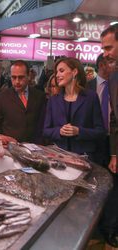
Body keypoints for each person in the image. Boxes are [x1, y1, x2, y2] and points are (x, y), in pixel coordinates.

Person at [43, 57, 106, 163]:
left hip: (84, 159)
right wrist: (59, 131)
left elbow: (100, 132)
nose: (57, 75)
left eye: (61, 71)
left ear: (74, 72)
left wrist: (79, 131)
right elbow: (46, 131)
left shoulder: (91, 97)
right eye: (56, 71)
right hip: (59, 158)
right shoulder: (53, 100)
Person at [0, 60, 46, 144]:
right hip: (10, 148)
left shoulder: (40, 96)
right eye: (14, 77)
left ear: (28, 76)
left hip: (35, 148)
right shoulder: (1, 97)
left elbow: (42, 125)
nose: (17, 81)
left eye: (21, 77)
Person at [99, 23, 118, 247]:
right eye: (103, 49)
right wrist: (114, 153)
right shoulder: (113, 78)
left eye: (109, 48)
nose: (105, 54)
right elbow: (114, 121)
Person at [86, 53, 116, 166]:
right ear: (101, 65)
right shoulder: (86, 87)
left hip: (114, 140)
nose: (116, 66)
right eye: (112, 62)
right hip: (93, 141)